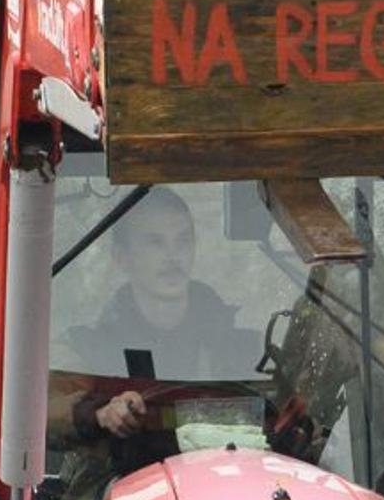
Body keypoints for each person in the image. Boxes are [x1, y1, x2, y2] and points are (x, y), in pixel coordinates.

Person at [60, 188, 268, 439]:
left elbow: (278, 408)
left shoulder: (242, 346)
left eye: (183, 241)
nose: (172, 256)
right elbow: (46, 411)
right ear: (122, 257)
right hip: (129, 464)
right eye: (155, 243)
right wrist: (100, 413)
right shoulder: (91, 348)